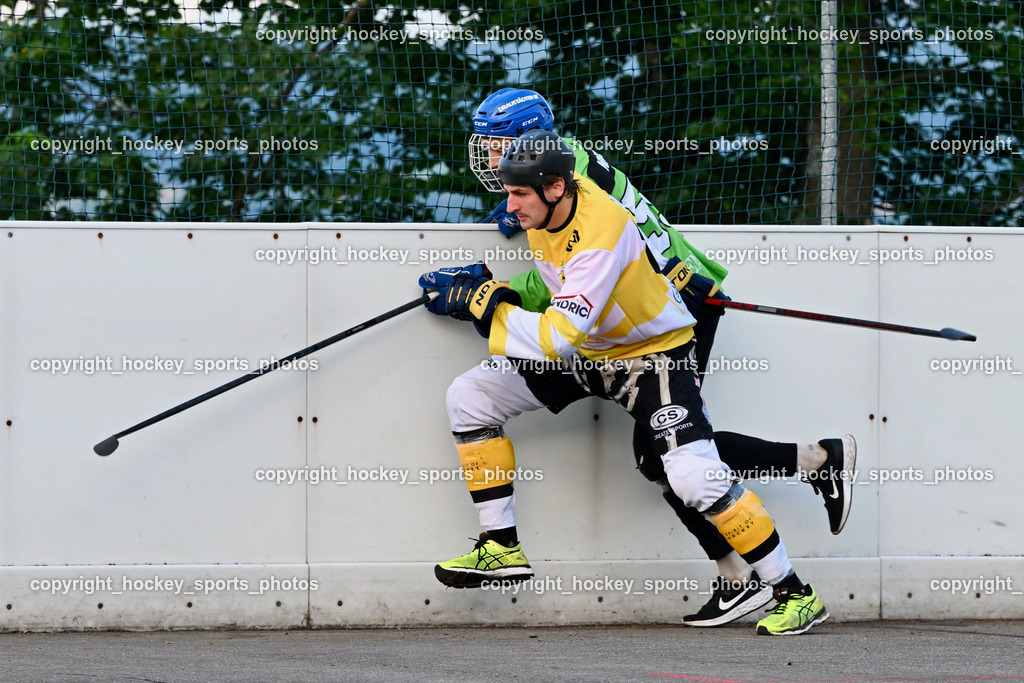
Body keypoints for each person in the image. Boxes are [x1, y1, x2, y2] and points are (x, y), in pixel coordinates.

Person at [464, 88, 856, 627]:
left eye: (497, 147)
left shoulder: (565, 187)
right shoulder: (552, 171)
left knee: (671, 462)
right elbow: (565, 274)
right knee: (666, 459)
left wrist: (492, 298)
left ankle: (777, 530)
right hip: (620, 313)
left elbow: (585, 272)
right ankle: (767, 532)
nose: (491, 161)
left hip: (671, 303)